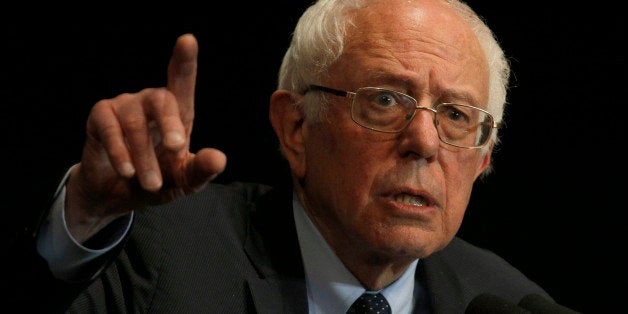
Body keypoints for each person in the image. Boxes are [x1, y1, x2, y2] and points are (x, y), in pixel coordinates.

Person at [8, 0, 578, 313]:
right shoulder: (168, 255)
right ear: (296, 126)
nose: (425, 143)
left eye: (456, 116)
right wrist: (84, 215)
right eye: (384, 100)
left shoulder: (508, 303)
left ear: (481, 161)